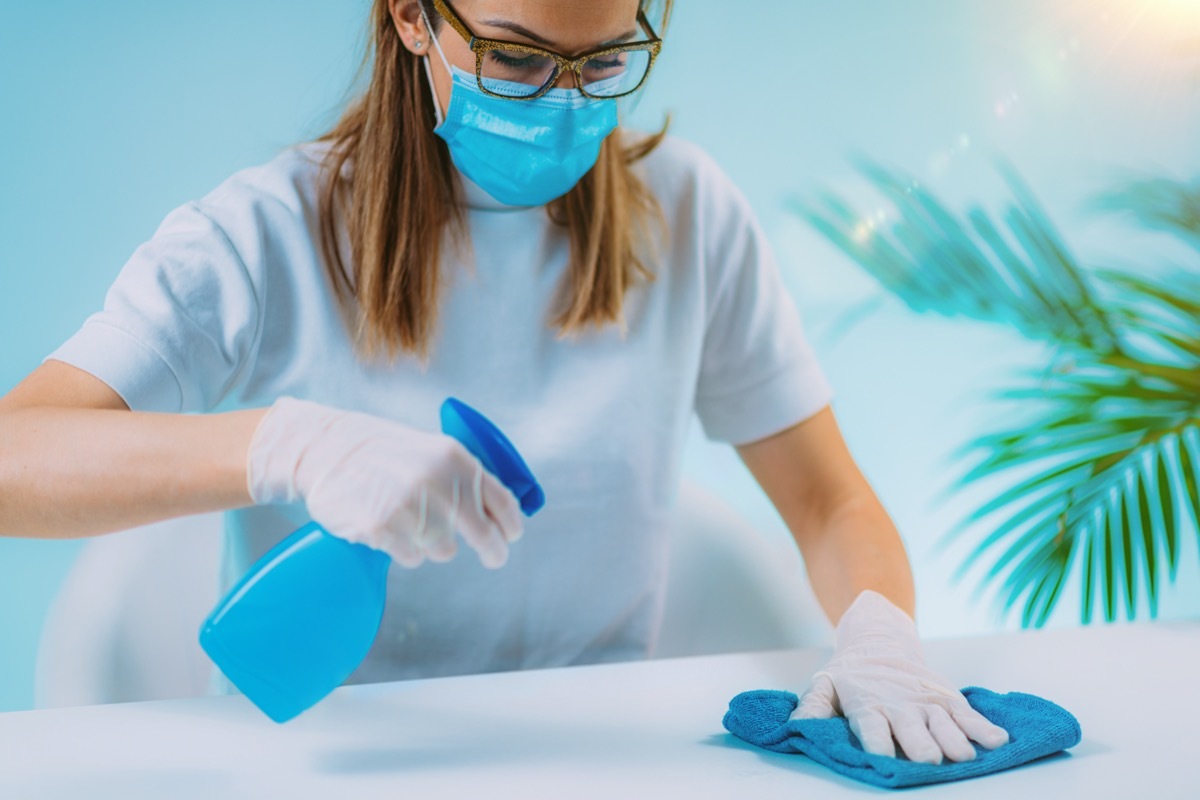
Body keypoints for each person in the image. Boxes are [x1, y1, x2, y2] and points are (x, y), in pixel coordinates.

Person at [0, 0, 1007, 764]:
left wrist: (881, 631)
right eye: (517, 58)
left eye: (606, 61)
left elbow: (830, 500)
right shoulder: (263, 235)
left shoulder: (689, 217)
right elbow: (15, 457)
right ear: (411, 17)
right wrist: (286, 444)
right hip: (334, 761)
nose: (564, 104)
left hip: (599, 761)